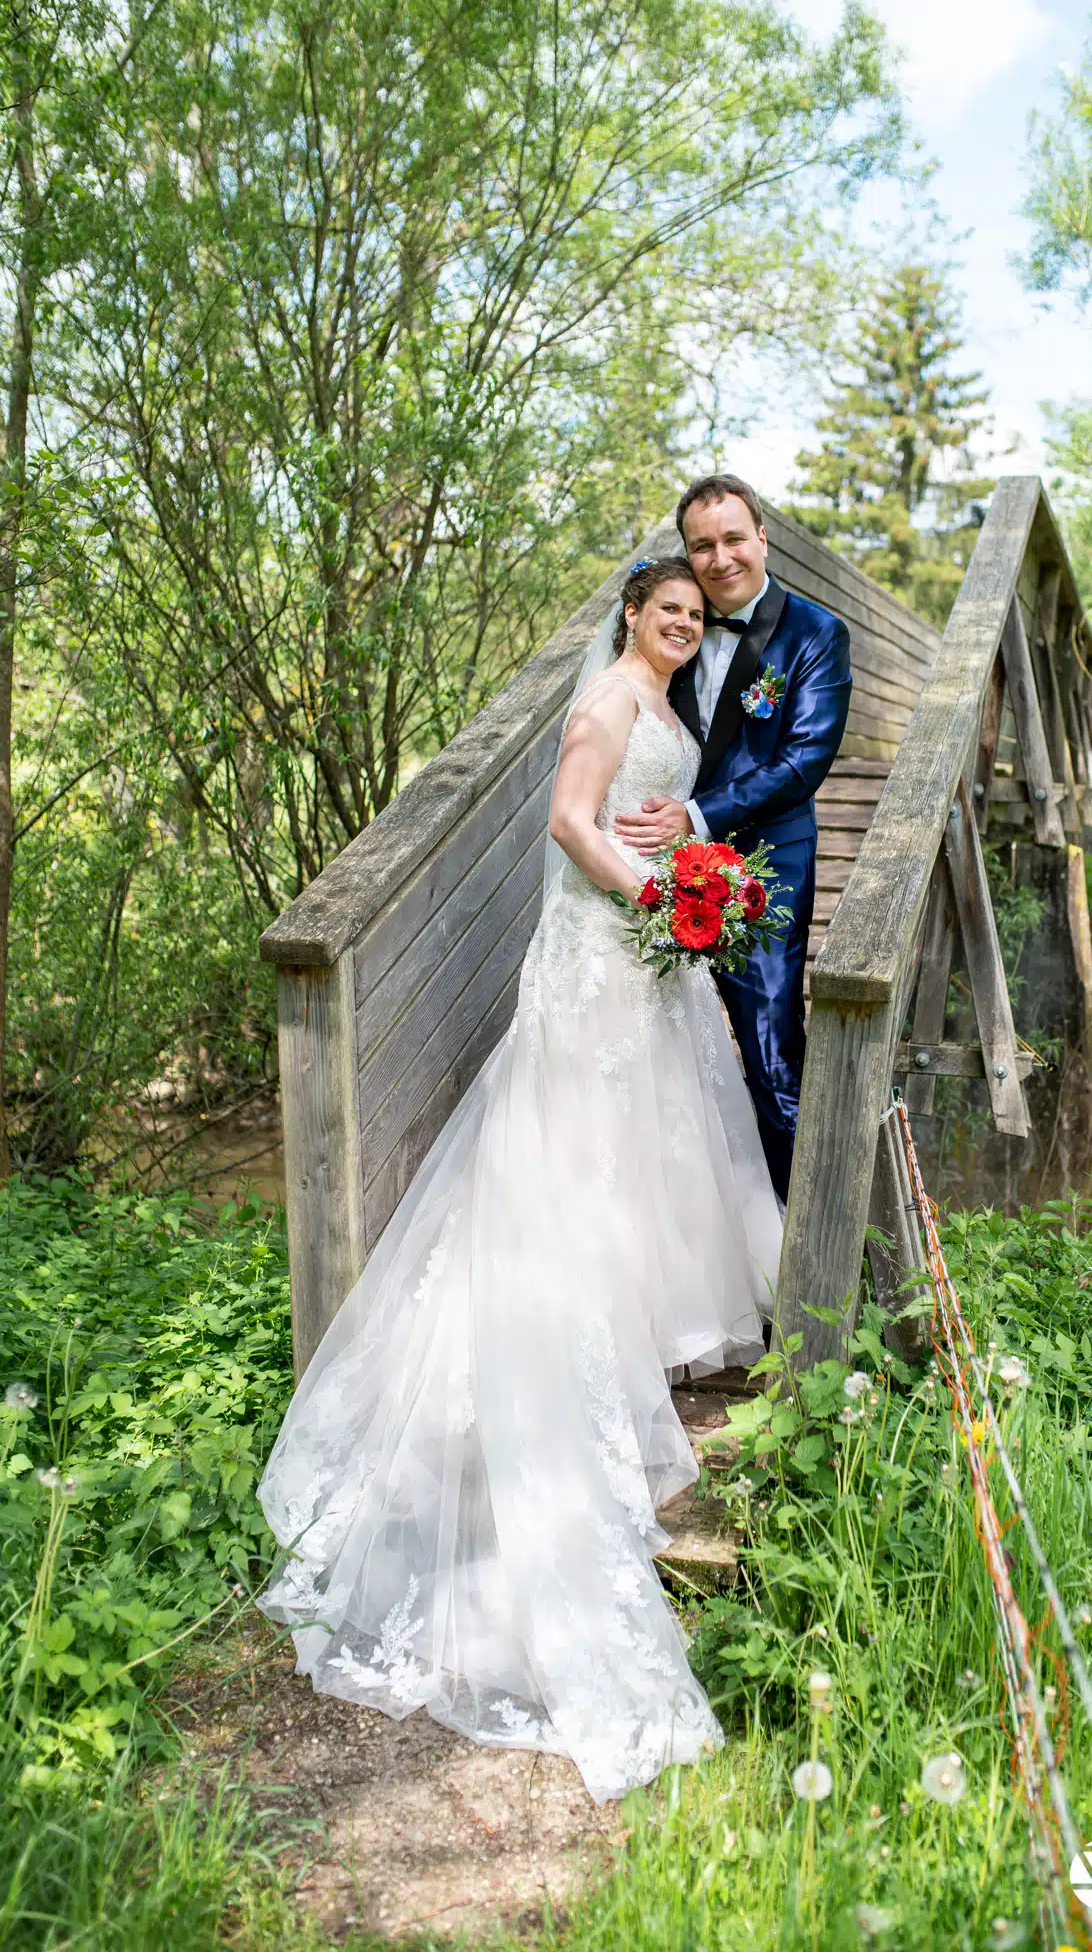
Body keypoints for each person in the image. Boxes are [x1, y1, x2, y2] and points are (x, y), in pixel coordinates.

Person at [256, 557, 782, 1806]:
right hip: (596, 958)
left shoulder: (672, 704)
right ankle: (561, 1359)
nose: (682, 624)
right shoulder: (603, 701)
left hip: (640, 957)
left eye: (696, 618)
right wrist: (662, 895)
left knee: (638, 1167)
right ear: (629, 617)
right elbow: (565, 822)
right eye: (666, 610)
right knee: (573, 1158)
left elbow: (642, 812)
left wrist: (688, 867)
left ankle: (624, 1335)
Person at [615, 475, 853, 1203]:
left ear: (762, 540)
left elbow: (802, 760)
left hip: (763, 869)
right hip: (653, 867)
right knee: (657, 1057)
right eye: (700, 545)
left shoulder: (815, 632)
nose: (718, 559)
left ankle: (803, 1250)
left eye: (732, 539)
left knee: (771, 1056)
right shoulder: (674, 622)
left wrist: (697, 814)